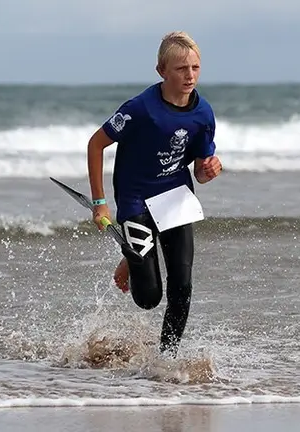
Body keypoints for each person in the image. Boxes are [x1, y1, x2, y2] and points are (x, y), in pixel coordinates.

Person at [85, 31, 222, 357]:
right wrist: (100, 204)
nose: (190, 76)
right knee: (148, 298)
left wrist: (208, 170)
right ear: (162, 71)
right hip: (135, 200)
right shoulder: (140, 109)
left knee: (182, 286)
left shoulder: (203, 114)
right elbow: (96, 144)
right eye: (181, 69)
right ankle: (134, 259)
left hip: (175, 197)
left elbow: (200, 171)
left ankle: (166, 359)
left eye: (195, 68)